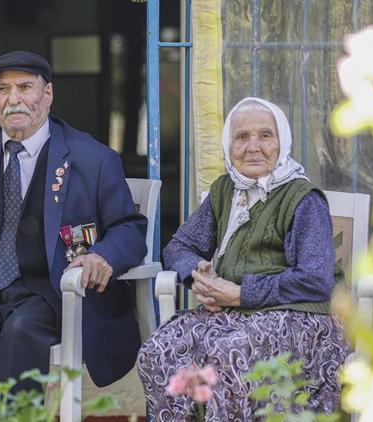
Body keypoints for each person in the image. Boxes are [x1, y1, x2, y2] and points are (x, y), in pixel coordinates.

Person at [0, 50, 147, 421]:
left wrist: (103, 256)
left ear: (47, 94)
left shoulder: (92, 158)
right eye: (2, 89)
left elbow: (129, 228)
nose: (13, 98)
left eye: (25, 87)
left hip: (53, 295)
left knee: (19, 335)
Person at [137, 97, 349, 420]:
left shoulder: (303, 199)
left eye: (265, 135)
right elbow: (178, 246)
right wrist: (199, 275)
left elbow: (315, 280)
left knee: (228, 354)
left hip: (299, 317)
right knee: (157, 350)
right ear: (228, 145)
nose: (253, 147)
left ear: (282, 143)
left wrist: (239, 292)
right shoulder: (225, 191)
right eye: (241, 137)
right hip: (235, 315)